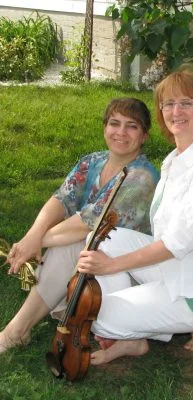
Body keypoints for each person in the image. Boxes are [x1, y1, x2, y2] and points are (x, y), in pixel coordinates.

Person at [75, 65, 193, 365]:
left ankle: (135, 325)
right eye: (169, 104)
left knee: (98, 315)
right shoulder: (174, 160)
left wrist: (113, 267)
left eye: (187, 103)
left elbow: (177, 243)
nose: (176, 111)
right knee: (101, 237)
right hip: (175, 269)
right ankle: (133, 336)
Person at [0, 97, 159, 353]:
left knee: (71, 244)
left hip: (128, 271)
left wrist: (36, 242)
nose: (120, 132)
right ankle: (60, 305)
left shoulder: (141, 178)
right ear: (104, 128)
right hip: (93, 259)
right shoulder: (92, 161)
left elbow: (88, 224)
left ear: (144, 136)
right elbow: (61, 200)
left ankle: (16, 332)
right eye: (114, 123)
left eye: (131, 126)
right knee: (69, 243)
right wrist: (33, 234)